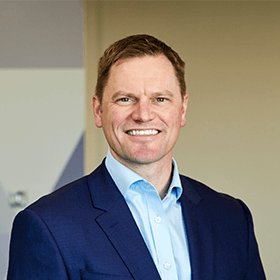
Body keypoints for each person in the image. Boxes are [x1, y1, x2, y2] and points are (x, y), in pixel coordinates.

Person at [8, 34, 266, 279]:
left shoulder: (232, 219)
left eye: (160, 99)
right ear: (98, 110)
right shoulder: (47, 225)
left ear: (183, 109)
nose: (143, 114)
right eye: (125, 99)